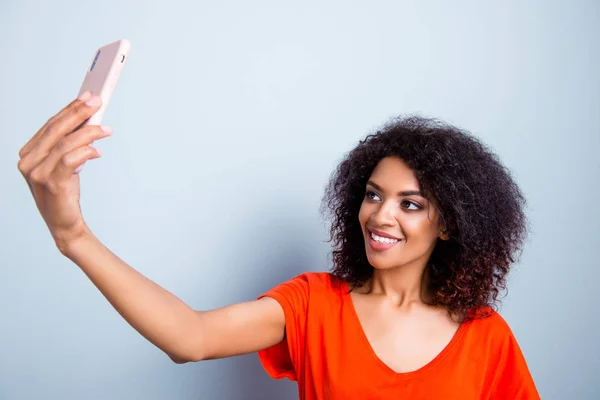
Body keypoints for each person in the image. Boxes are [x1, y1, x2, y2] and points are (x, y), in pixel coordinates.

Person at [18, 92, 540, 399]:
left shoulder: (486, 336)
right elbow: (190, 337)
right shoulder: (313, 305)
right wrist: (73, 236)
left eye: (411, 204)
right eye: (374, 194)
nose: (380, 214)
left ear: (447, 224)